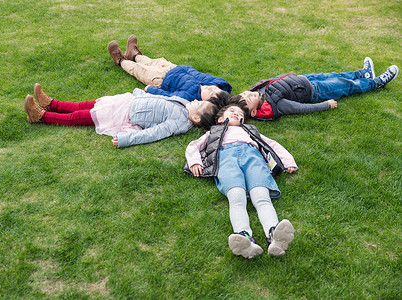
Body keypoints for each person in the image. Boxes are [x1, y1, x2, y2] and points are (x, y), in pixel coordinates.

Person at [184, 103, 298, 258]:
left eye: (240, 114)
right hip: (226, 159)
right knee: (236, 197)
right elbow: (194, 146)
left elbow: (272, 145)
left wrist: (288, 161)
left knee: (262, 197)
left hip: (253, 158)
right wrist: (195, 161)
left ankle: (275, 235)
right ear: (220, 119)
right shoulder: (214, 131)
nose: (237, 114)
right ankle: (244, 238)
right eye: (232, 111)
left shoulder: (250, 131)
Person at [23, 83, 223, 148]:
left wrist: (128, 139)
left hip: (125, 115)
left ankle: (40, 116)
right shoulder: (185, 106)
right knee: (87, 104)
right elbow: (160, 99)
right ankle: (51, 104)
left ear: (196, 119)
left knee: (80, 116)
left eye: (200, 104)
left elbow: (153, 133)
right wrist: (142, 94)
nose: (196, 100)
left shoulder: (179, 123)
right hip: (128, 102)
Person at [229, 58, 399, 120]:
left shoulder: (259, 92)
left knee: (334, 74)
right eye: (248, 99)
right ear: (253, 112)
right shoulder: (275, 106)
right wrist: (325, 105)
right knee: (343, 84)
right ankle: (377, 83)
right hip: (316, 91)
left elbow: (271, 80)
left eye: (244, 93)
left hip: (305, 78)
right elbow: (301, 108)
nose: (248, 94)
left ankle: (362, 74)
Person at [107, 35, 232, 103]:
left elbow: (169, 96)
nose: (211, 88)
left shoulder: (190, 97)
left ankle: (120, 60)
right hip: (173, 67)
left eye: (210, 93)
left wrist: (151, 89)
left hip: (160, 79)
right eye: (215, 88)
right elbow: (217, 81)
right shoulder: (206, 83)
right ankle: (134, 54)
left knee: (138, 69)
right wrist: (224, 88)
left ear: (204, 102)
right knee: (150, 61)